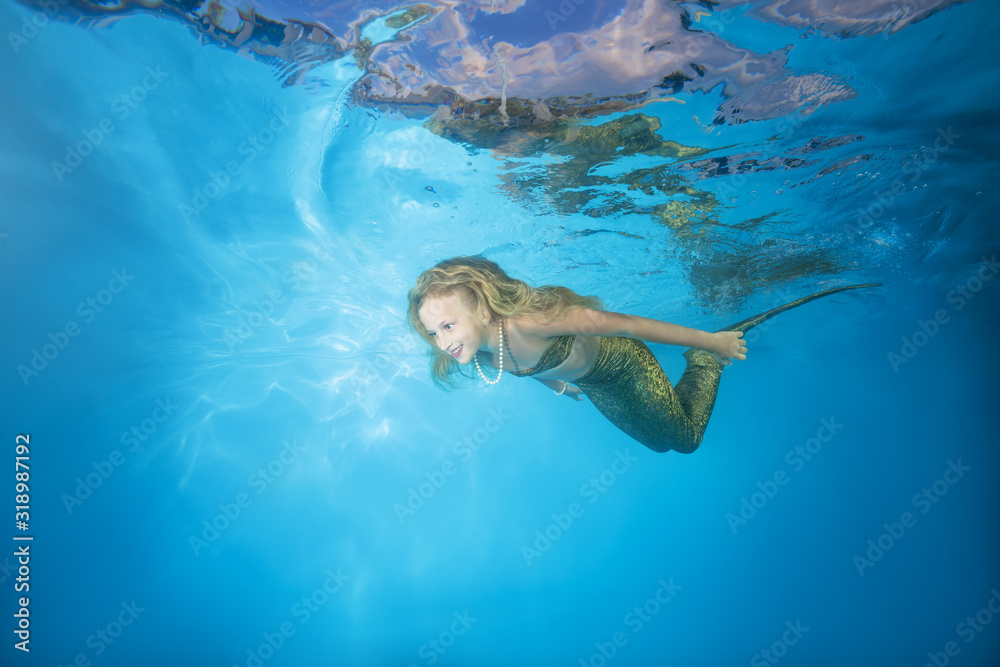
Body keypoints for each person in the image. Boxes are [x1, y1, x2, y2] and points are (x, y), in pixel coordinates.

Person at [406, 256, 877, 454]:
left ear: (485, 309)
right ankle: (703, 360)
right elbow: (517, 366)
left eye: (448, 325)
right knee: (660, 443)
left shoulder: (535, 320)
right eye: (432, 332)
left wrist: (706, 341)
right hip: (595, 386)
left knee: (686, 440)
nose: (443, 340)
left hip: (622, 365)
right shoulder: (481, 353)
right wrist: (558, 384)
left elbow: (629, 324)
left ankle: (707, 362)